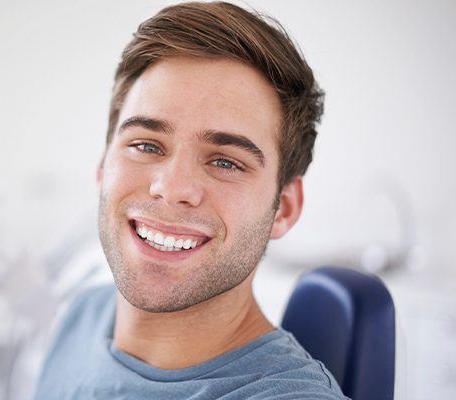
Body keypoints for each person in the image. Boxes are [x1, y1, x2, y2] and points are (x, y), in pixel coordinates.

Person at [33, 1, 348, 399]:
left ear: (283, 208)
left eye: (225, 162)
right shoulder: (83, 316)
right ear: (102, 165)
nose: (172, 187)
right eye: (146, 145)